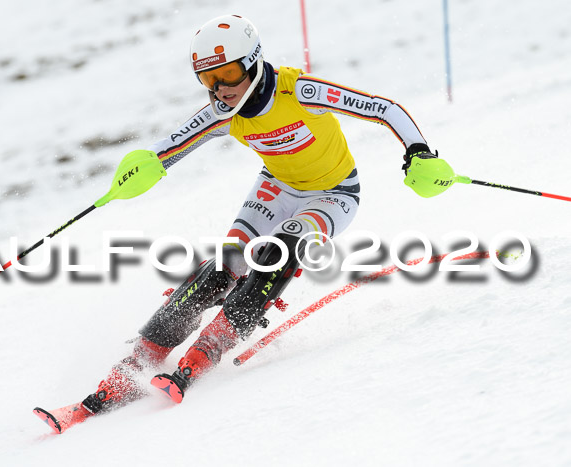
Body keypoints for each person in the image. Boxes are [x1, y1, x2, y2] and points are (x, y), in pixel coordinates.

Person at [81, 14, 455, 413]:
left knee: (279, 249)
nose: (220, 89)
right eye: (208, 80)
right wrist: (137, 171)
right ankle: (144, 354)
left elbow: (384, 108)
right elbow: (167, 150)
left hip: (333, 194)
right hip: (275, 188)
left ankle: (211, 346)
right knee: (227, 262)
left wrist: (418, 153)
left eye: (227, 73)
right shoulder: (224, 114)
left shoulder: (302, 91)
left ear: (254, 61)